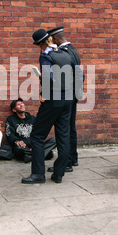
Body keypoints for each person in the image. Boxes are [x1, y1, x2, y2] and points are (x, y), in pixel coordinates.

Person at [22, 29, 75, 184]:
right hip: (68, 98)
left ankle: (38, 174)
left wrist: (43, 89)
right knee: (63, 135)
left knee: (37, 136)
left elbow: (48, 78)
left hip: (53, 99)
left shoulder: (45, 56)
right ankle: (59, 173)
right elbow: (80, 76)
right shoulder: (67, 53)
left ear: (40, 44)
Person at [48, 26, 82, 170]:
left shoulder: (65, 52)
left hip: (66, 94)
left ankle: (67, 162)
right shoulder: (72, 50)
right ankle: (72, 158)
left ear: (55, 39)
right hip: (72, 95)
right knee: (69, 128)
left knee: (65, 129)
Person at [5, 98, 55, 163]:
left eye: (22, 103)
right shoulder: (11, 119)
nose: (21, 105)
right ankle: (38, 155)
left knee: (54, 140)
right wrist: (16, 141)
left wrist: (35, 146)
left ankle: (30, 156)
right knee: (19, 149)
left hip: (34, 145)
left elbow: (39, 132)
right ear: (14, 109)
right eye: (18, 104)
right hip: (23, 147)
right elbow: (9, 133)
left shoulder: (32, 118)